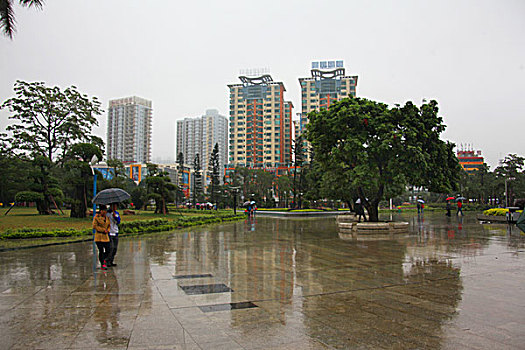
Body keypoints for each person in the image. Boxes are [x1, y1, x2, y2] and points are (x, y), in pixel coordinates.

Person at [93, 205, 110, 270]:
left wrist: (107, 230)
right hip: (99, 237)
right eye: (104, 211)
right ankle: (102, 263)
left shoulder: (107, 217)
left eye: (106, 211)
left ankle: (104, 259)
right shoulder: (96, 217)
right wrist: (103, 230)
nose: (105, 212)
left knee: (108, 249)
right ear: (101, 211)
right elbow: (95, 226)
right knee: (101, 251)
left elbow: (109, 225)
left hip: (106, 237)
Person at [106, 203, 121, 267]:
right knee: (111, 247)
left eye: (115, 206)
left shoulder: (116, 213)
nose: (115, 207)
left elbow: (118, 221)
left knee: (115, 248)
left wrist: (115, 216)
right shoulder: (107, 214)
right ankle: (107, 261)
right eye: (113, 206)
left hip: (115, 231)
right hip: (109, 232)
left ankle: (111, 261)